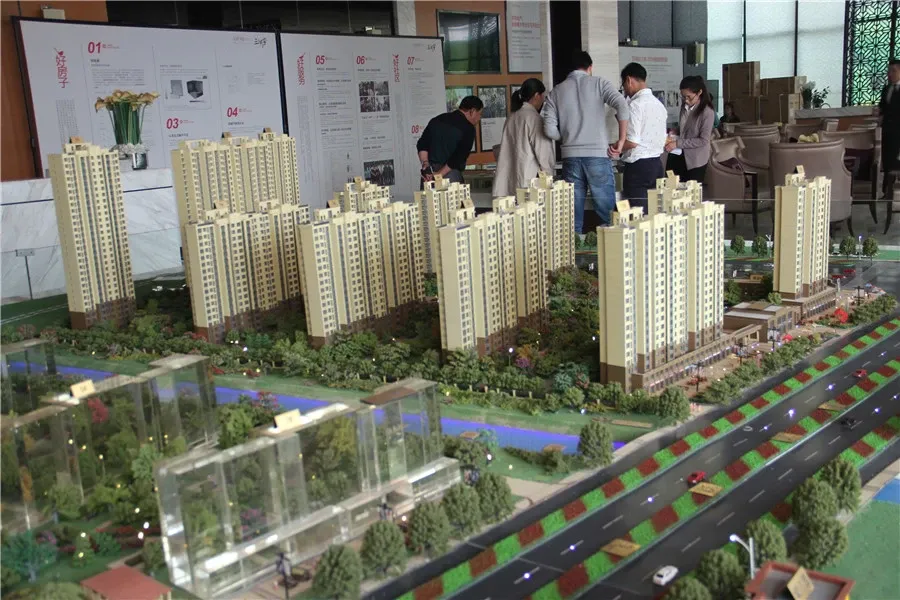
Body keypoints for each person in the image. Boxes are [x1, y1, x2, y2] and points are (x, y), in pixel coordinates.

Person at [542, 51, 629, 231]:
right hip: (598, 156)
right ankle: (609, 245)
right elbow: (622, 104)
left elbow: (549, 130)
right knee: (608, 215)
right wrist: (621, 140)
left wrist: (567, 137)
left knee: (573, 216)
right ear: (590, 67)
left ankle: (573, 247)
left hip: (570, 158)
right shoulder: (599, 83)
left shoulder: (556, 91)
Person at [492, 78, 556, 197]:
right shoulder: (535, 119)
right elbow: (544, 155)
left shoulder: (511, 117)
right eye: (543, 96)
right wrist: (549, 180)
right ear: (537, 95)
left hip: (508, 184)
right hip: (529, 183)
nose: (543, 100)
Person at [618, 62, 667, 213]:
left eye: (623, 85)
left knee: (637, 214)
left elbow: (632, 142)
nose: (625, 90)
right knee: (654, 212)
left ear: (629, 80)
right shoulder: (659, 104)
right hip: (657, 165)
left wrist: (616, 146)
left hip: (638, 167)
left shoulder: (635, 105)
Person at [417, 95, 483, 185]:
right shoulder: (468, 128)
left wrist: (426, 164)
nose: (479, 118)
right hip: (450, 176)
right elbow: (458, 158)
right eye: (480, 114)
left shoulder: (437, 120)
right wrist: (438, 175)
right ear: (473, 111)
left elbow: (422, 144)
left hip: (428, 175)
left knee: (427, 194)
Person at [665, 75, 715, 183]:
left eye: (689, 97)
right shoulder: (684, 106)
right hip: (679, 154)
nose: (686, 100)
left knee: (690, 191)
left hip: (695, 159)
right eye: (683, 97)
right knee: (672, 186)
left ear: (699, 92)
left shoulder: (707, 112)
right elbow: (686, 126)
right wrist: (677, 130)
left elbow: (703, 140)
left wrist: (677, 143)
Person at [878, 59, 900, 199]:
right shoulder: (886, 89)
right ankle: (887, 191)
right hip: (887, 130)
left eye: (893, 71)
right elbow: (883, 107)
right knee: (887, 160)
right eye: (888, 71)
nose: (890, 74)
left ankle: (896, 193)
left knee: (897, 161)